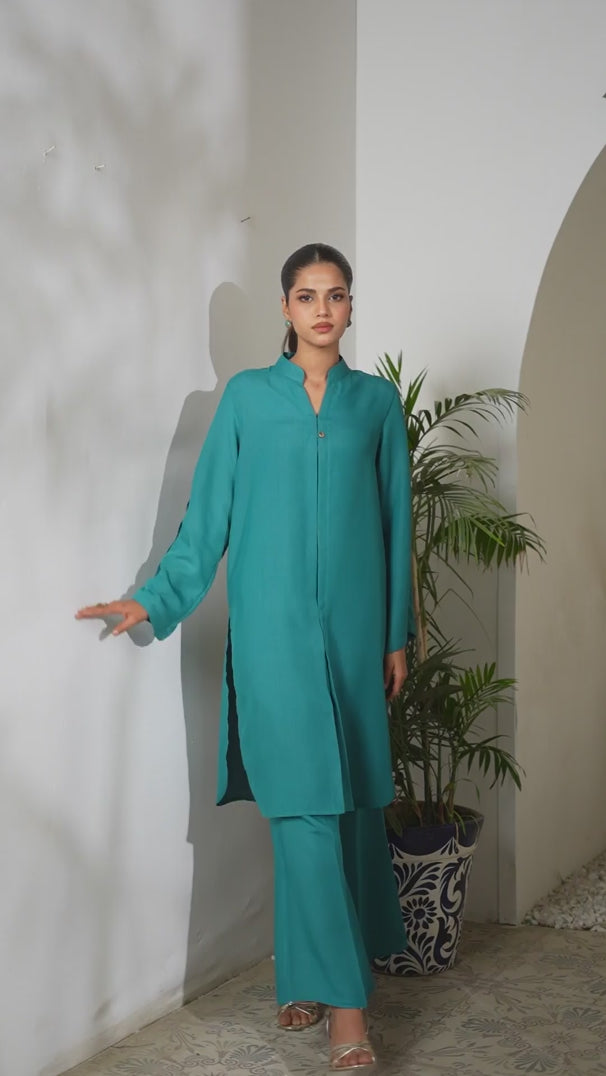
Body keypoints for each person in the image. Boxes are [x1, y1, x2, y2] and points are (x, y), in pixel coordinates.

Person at [76, 243, 413, 1072]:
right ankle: (347, 1013)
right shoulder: (246, 401)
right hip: (273, 640)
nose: (323, 310)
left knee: (345, 811)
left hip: (354, 638)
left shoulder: (375, 404)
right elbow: (207, 521)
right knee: (301, 810)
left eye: (337, 295)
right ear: (286, 307)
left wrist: (396, 634)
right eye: (308, 296)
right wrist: (151, 598)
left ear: (350, 305)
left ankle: (303, 973)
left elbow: (397, 522)